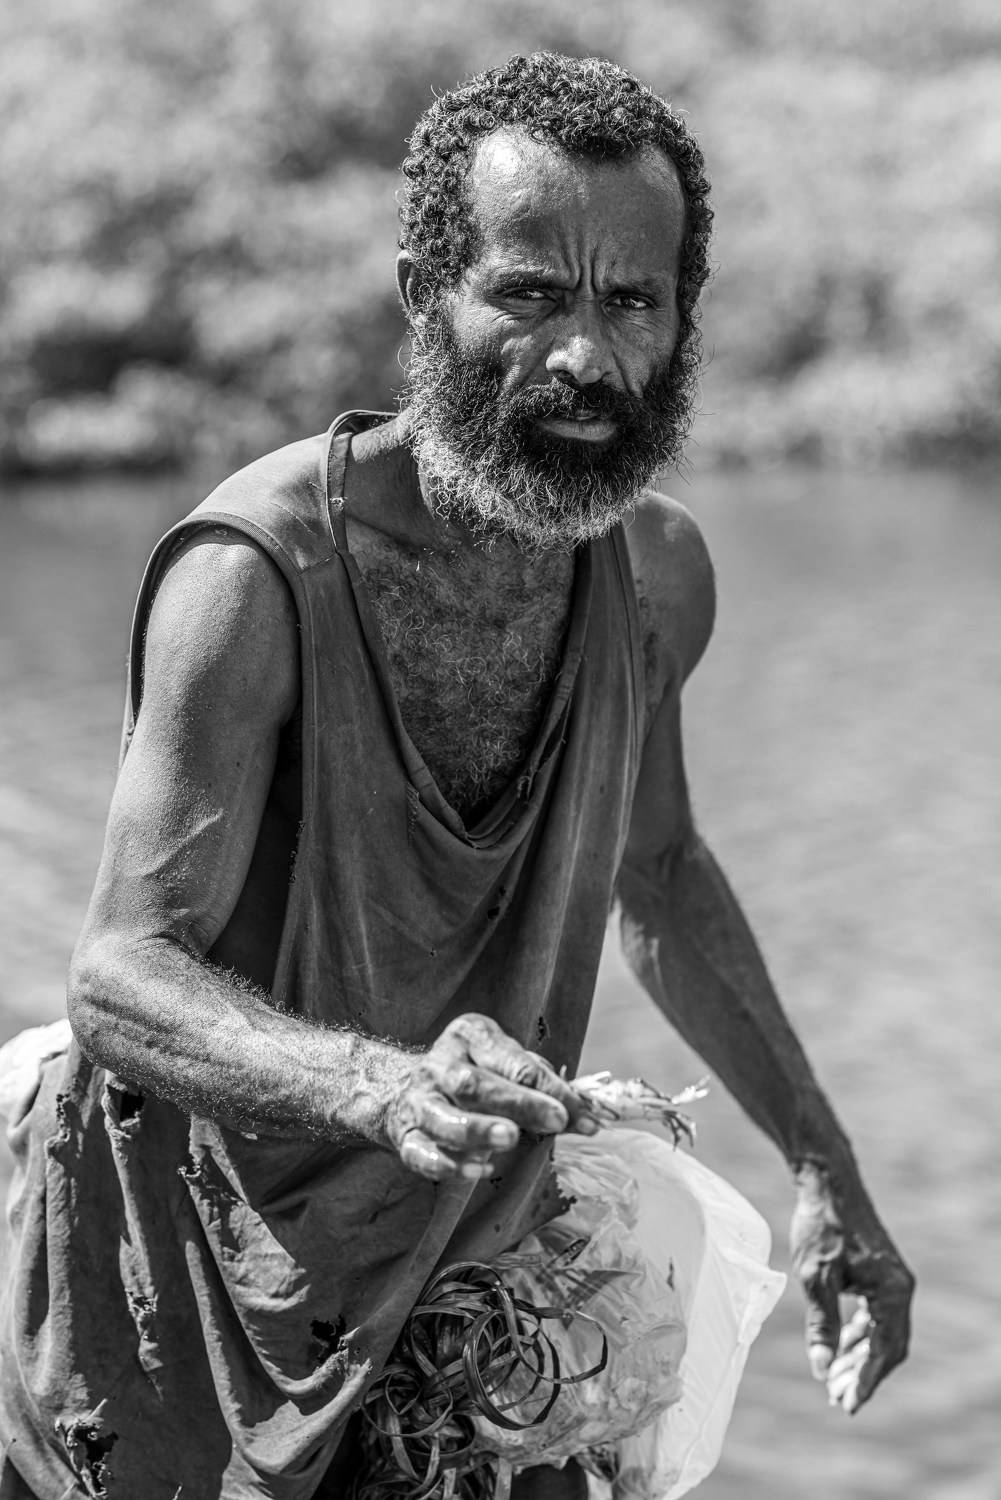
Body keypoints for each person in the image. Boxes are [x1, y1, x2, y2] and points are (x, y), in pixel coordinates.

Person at [0, 52, 913, 1500]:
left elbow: (659, 872)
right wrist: (383, 1088)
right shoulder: (255, 576)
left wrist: (823, 1170)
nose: (587, 358)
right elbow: (119, 974)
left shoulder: (655, 576)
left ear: (681, 320)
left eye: (633, 301)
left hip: (463, 1275)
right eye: (531, 293)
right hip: (181, 1277)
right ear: (425, 293)